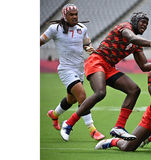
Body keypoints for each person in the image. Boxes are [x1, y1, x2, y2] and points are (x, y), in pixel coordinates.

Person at [60, 12, 151, 142]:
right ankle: (69, 123)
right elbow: (131, 38)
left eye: (146, 24)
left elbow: (144, 66)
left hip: (109, 67)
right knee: (100, 92)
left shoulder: (137, 44)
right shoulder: (125, 27)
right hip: (97, 61)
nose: (145, 25)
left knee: (134, 90)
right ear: (134, 21)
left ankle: (119, 127)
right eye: (142, 22)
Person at [40, 4, 105, 141]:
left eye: (76, 14)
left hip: (80, 69)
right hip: (66, 69)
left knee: (71, 99)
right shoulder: (54, 29)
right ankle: (92, 129)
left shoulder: (82, 28)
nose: (75, 16)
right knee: (82, 96)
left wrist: (89, 48)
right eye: (71, 14)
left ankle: (55, 114)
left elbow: (87, 43)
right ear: (65, 16)